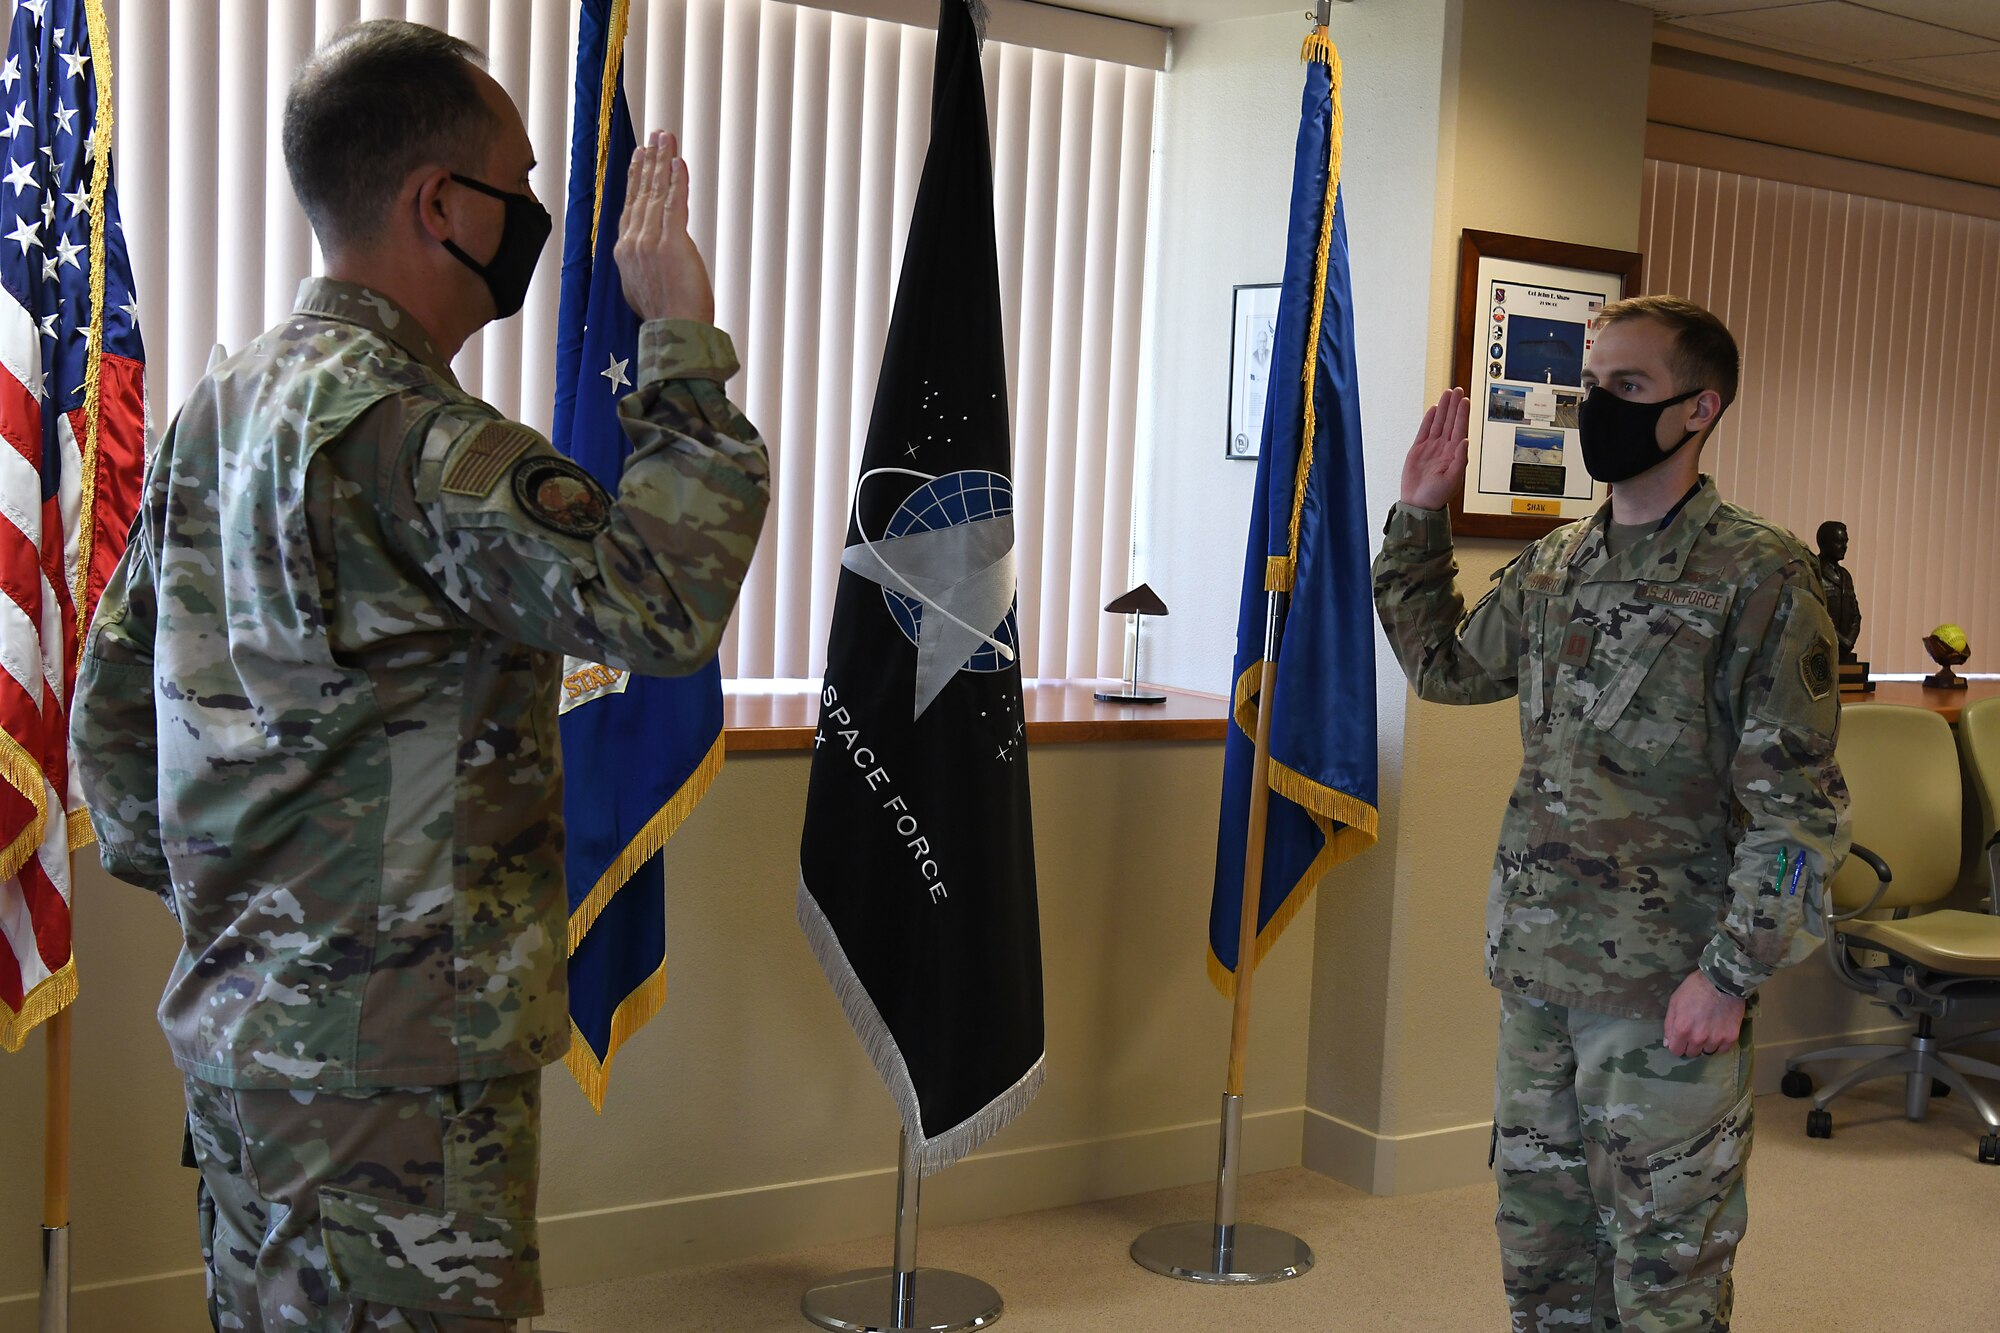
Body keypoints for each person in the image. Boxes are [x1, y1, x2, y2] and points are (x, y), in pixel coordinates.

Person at [70, 20, 769, 1331]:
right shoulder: (421, 441)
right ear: (441, 203)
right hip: (389, 1085)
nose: (537, 215)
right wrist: (682, 338)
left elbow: (113, 730)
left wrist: (264, 936)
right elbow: (663, 605)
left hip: (246, 1051)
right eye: (518, 183)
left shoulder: (216, 418)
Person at [1373, 295, 1849, 1332]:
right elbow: (1447, 667)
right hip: (1539, 978)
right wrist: (1418, 514)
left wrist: (1729, 975)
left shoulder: (1758, 576)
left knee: (1663, 1269)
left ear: (1696, 408)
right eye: (1592, 386)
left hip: (1665, 992)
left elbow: (1798, 814)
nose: (1598, 407)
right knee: (1544, 1258)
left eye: (1627, 388)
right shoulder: (1559, 562)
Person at [1815, 519, 1862, 663]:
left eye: (1846, 541)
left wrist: (1849, 642)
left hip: (1843, 652)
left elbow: (1855, 614)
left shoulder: (1845, 575)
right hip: (1820, 649)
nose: (1844, 546)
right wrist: (1842, 641)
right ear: (1823, 543)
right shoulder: (1813, 571)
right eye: (1839, 541)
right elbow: (1816, 615)